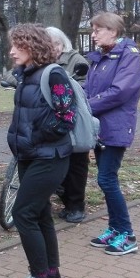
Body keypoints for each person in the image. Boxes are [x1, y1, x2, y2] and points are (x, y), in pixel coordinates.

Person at [6, 23, 76, 278]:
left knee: (23, 213)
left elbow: (66, 118)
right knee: (40, 213)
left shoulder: (53, 74)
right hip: (29, 156)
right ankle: (52, 274)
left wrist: (37, 136)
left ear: (33, 47)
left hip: (49, 157)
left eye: (18, 46)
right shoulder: (26, 75)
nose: (12, 51)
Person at [85, 12, 140, 256]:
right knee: (105, 178)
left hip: (116, 126)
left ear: (113, 31)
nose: (93, 35)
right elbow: (88, 88)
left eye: (98, 30)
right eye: (93, 30)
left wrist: (86, 106)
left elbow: (120, 91)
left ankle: (127, 234)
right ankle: (114, 228)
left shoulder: (128, 57)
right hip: (101, 127)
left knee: (107, 179)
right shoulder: (101, 59)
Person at [45, 26, 90, 223]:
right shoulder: (41, 60)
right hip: (49, 117)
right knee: (56, 162)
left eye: (55, 43)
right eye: (48, 44)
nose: (52, 48)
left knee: (77, 163)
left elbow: (86, 85)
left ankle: (76, 205)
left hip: (74, 116)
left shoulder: (76, 60)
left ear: (62, 43)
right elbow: (15, 74)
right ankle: (66, 199)